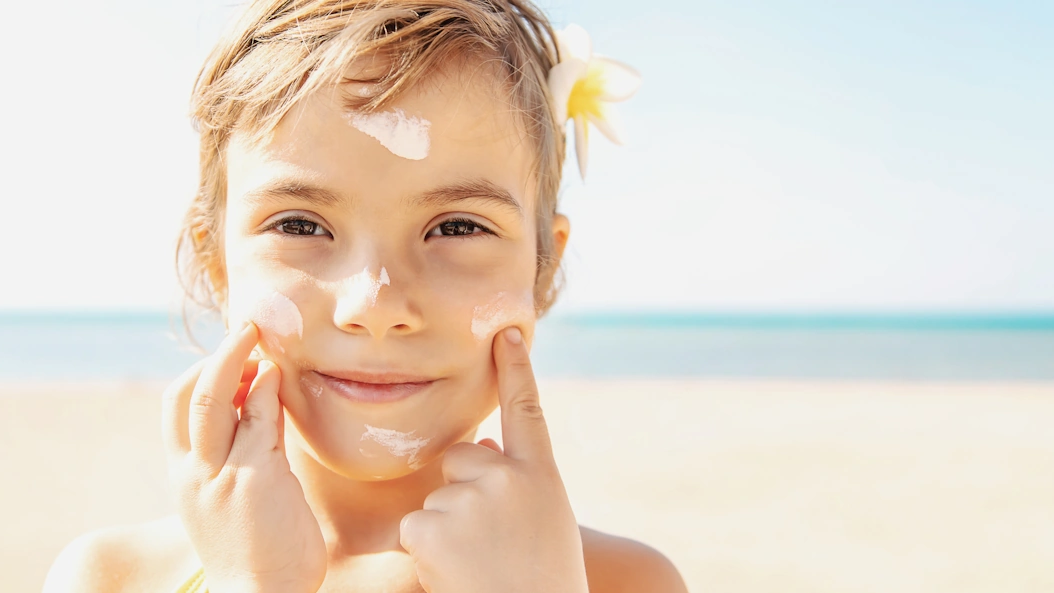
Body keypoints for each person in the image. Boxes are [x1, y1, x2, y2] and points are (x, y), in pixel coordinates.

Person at [44, 0, 685, 591]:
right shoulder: (108, 579)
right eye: (300, 225)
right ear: (216, 261)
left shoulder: (627, 583)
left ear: (542, 270)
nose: (374, 306)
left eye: (457, 227)